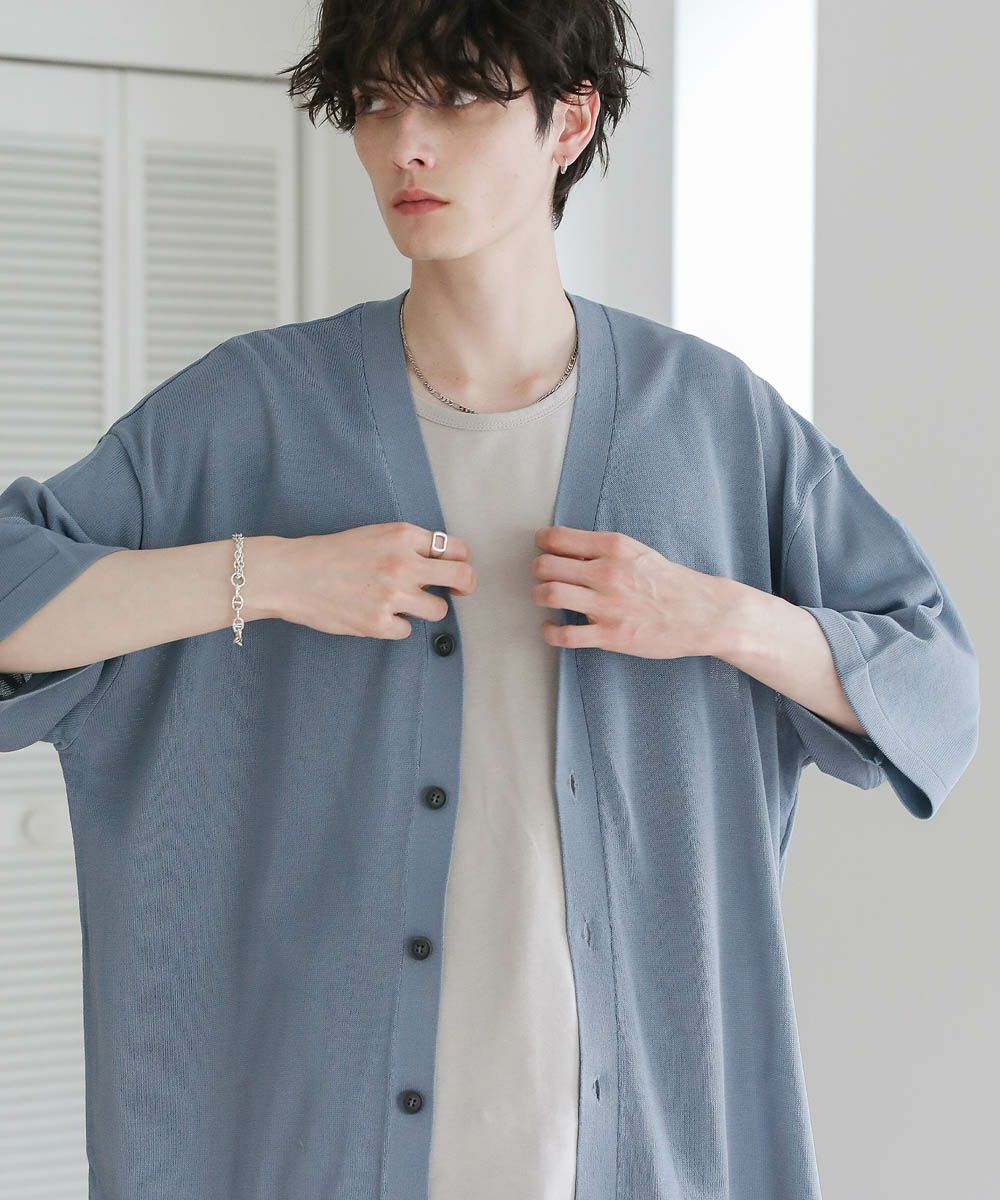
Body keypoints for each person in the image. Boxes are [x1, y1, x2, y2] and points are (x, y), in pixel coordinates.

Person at [0, 2, 980, 1198]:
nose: (404, 144)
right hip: (310, 1147)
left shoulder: (715, 423)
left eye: (456, 97)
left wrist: (716, 617)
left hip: (636, 1157)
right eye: (374, 101)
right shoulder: (247, 411)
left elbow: (933, 687)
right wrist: (270, 576)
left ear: (570, 120)